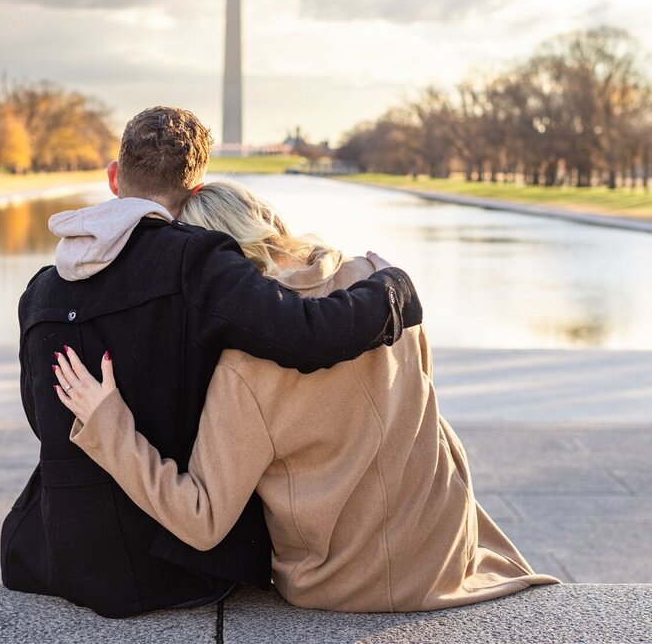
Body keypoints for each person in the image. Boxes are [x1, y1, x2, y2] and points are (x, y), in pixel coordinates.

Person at [53, 180, 560, 613]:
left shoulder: (245, 368)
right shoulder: (379, 284)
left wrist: (108, 423)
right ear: (270, 222)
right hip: (444, 549)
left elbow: (202, 519)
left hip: (340, 583)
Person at [0, 108, 423, 618]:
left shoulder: (41, 289)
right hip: (174, 564)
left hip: (56, 551)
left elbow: (39, 413)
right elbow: (309, 337)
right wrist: (392, 288)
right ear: (198, 188)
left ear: (114, 177)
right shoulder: (199, 262)